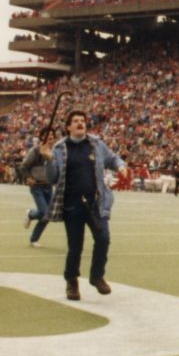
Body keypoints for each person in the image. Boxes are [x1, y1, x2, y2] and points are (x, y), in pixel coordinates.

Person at [40, 110, 129, 301]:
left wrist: (121, 166)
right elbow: (52, 177)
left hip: (96, 202)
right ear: (68, 127)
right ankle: (71, 281)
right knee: (75, 246)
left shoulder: (96, 143)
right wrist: (48, 160)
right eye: (76, 121)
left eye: (83, 120)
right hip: (72, 204)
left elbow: (111, 158)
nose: (80, 123)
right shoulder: (58, 148)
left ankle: (97, 276)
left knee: (103, 238)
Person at [19, 135, 51, 248]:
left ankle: (31, 215)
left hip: (49, 186)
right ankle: (31, 215)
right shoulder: (35, 151)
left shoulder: (55, 151)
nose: (51, 139)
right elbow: (23, 166)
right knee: (44, 212)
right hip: (36, 186)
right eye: (49, 137)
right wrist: (27, 177)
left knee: (48, 215)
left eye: (53, 137)